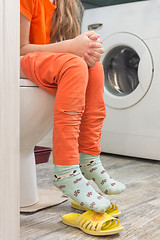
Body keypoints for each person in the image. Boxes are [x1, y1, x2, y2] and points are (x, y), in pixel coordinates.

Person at [20, 0, 126, 213]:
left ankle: (88, 158)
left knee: (93, 66)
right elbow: (19, 48)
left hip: (38, 63)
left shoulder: (64, 4)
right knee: (75, 64)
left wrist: (85, 50)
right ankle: (66, 171)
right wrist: (70, 47)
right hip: (14, 60)